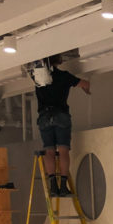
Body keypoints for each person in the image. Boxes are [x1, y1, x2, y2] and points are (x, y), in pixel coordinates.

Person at [34, 55, 90, 197]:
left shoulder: (38, 77)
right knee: (63, 151)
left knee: (49, 151)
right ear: (59, 61)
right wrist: (86, 88)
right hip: (61, 115)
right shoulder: (64, 76)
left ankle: (53, 187)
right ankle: (63, 187)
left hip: (44, 116)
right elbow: (85, 83)